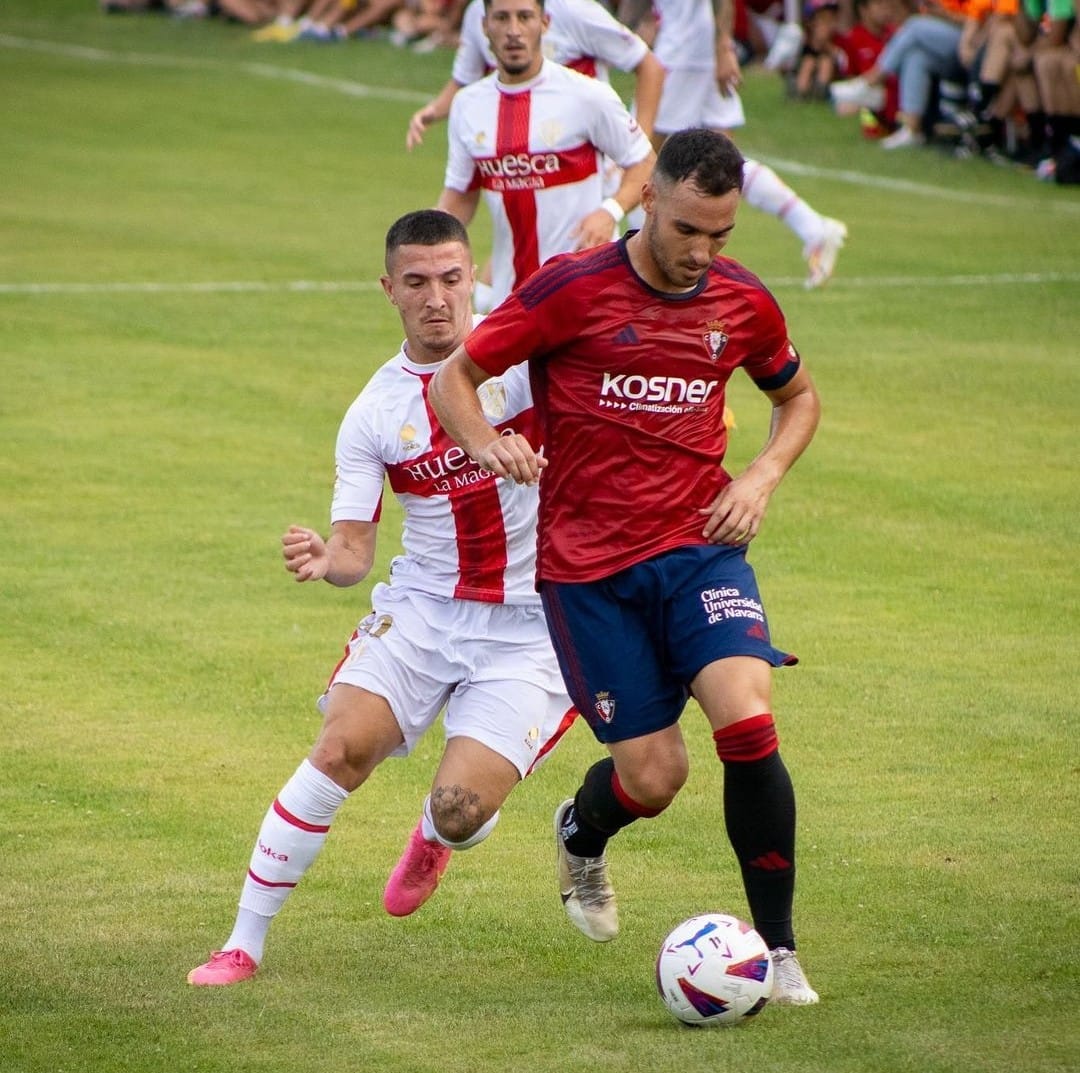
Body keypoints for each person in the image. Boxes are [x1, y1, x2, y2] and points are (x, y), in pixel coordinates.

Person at [428, 128, 821, 1006]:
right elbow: (456, 378)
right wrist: (489, 443)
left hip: (699, 550)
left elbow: (796, 397)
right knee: (656, 776)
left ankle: (781, 949)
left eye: (721, 235)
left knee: (748, 722)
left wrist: (759, 475)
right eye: (688, 229)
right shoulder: (571, 290)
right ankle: (582, 830)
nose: (702, 253)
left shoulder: (742, 303)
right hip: (588, 573)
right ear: (650, 199)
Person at [187, 210, 576, 987]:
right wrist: (325, 558)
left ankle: (436, 833)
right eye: (417, 282)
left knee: (464, 808)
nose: (438, 298)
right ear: (389, 290)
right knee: (338, 748)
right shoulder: (374, 412)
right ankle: (242, 941)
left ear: (474, 277)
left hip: (534, 622)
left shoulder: (530, 359)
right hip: (426, 610)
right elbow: (355, 554)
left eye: (452, 278)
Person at [435, 0, 656, 309]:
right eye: (502, 18)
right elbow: (460, 195)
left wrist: (611, 211)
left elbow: (645, 162)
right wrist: (424, 244)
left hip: (585, 294)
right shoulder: (468, 105)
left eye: (524, 17)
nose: (513, 30)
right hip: (512, 303)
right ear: (485, 26)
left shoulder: (587, 96)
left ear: (545, 23)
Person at [621, 0, 849, 290]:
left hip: (684, 54)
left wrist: (723, 47)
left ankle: (636, 269)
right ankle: (813, 227)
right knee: (722, 163)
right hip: (690, 49)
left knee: (642, 155)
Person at [829, 0, 975, 149]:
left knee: (914, 25)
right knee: (917, 57)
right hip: (949, 42)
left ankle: (871, 81)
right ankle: (912, 129)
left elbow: (977, 20)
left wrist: (942, 14)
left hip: (972, 41)